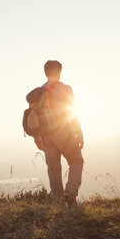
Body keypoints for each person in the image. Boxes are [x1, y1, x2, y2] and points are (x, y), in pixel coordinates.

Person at [26, 60, 84, 206]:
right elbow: (73, 113)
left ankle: (58, 202)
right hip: (63, 131)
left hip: (45, 135)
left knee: (53, 168)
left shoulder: (37, 93)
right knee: (76, 160)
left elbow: (34, 118)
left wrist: (37, 139)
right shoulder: (65, 89)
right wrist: (79, 132)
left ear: (45, 73)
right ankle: (70, 194)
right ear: (60, 72)